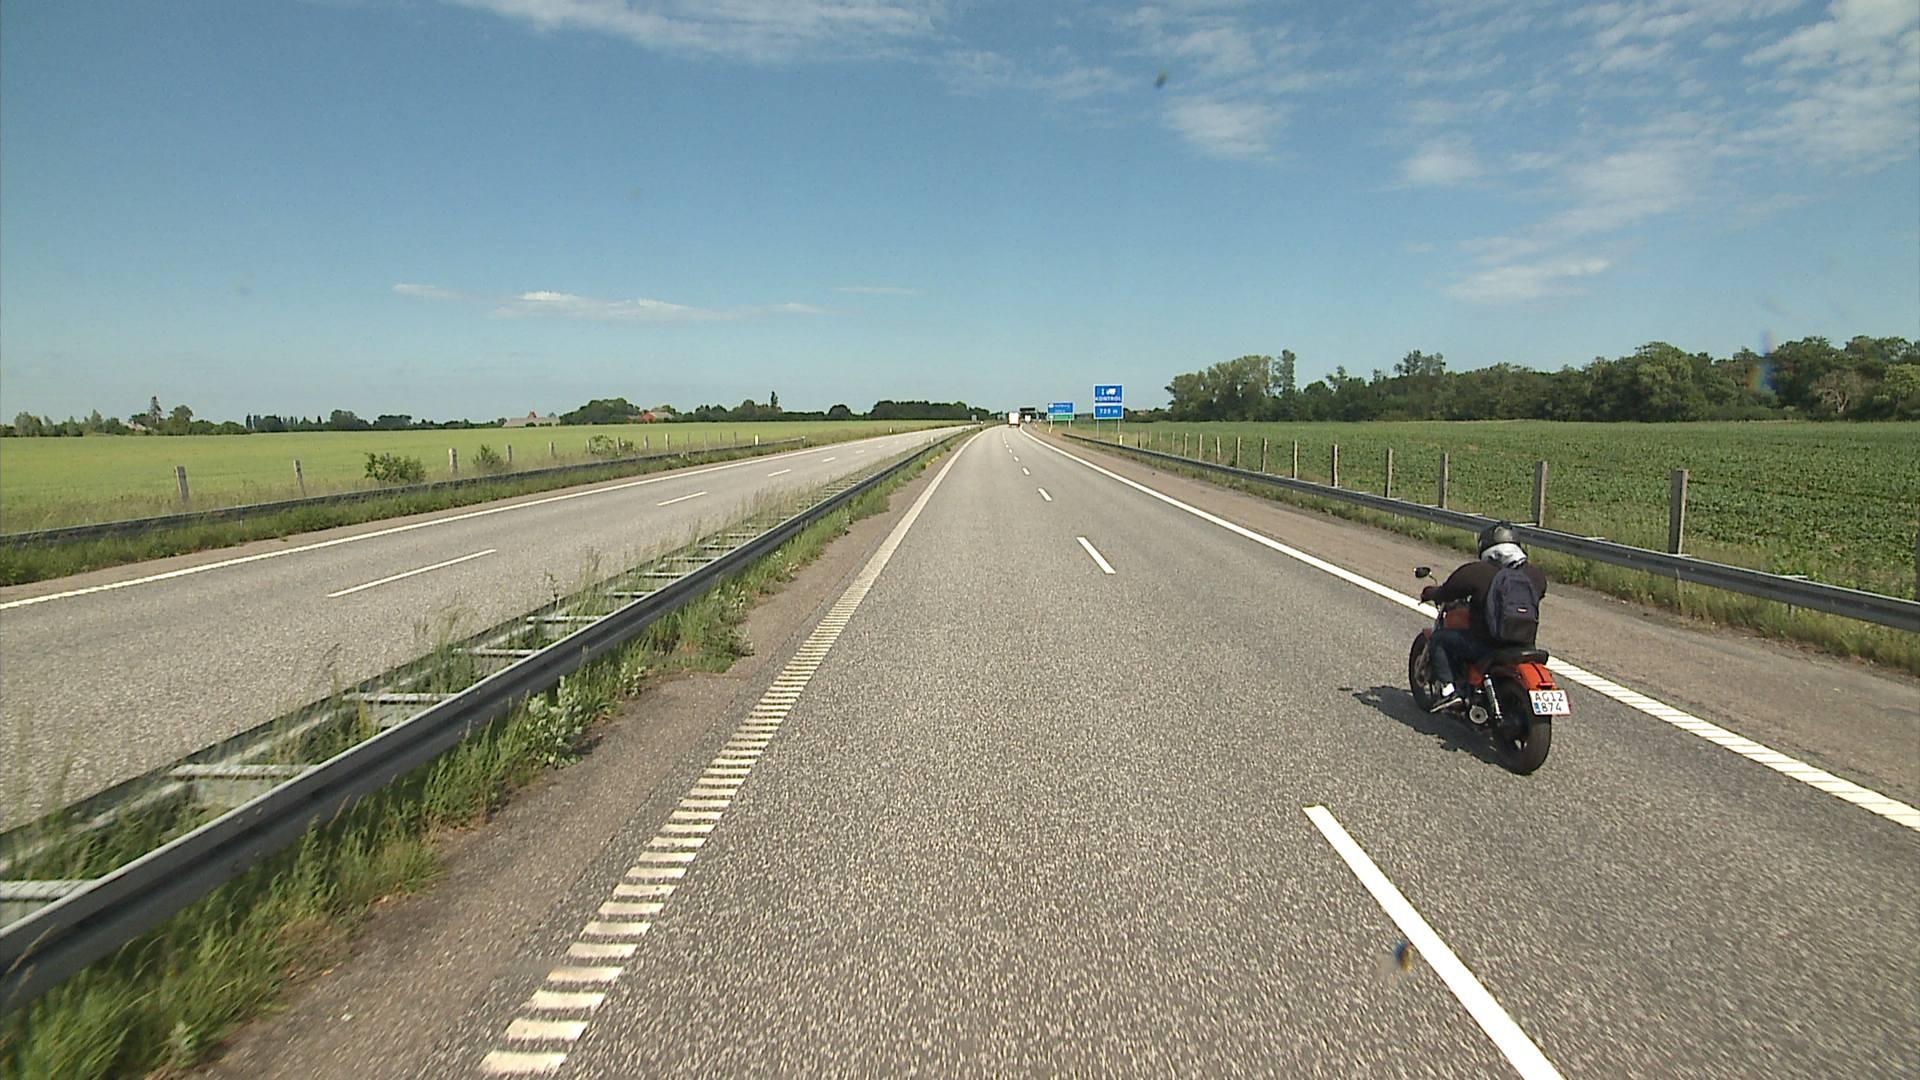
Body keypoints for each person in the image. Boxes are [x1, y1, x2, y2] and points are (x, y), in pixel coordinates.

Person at [1419, 522, 1548, 712]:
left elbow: (1446, 592)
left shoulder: (1476, 572)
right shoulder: (1535, 575)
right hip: (1524, 645)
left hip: (1486, 646)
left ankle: (1449, 691)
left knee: (1439, 639)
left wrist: (1430, 592)